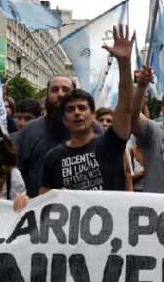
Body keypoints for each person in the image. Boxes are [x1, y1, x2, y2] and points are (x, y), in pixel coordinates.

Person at [39, 25, 134, 193]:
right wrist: (56, 195)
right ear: (64, 120)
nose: (77, 112)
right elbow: (43, 193)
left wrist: (124, 64)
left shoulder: (109, 144)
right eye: (70, 109)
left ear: (93, 115)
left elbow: (125, 106)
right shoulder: (53, 157)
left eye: (82, 108)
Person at [14, 76, 103, 196]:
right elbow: (16, 171)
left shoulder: (94, 128)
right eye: (55, 90)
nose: (60, 94)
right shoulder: (30, 130)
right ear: (47, 95)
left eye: (65, 89)